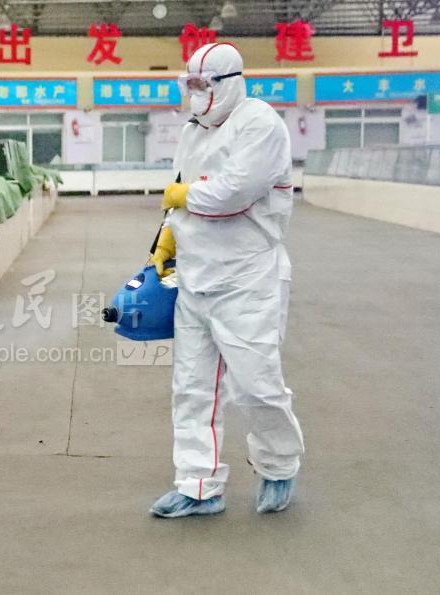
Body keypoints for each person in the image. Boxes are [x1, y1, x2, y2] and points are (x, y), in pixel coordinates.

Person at [148, 42, 305, 519]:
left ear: (230, 82)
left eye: (203, 85)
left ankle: (278, 465)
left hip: (246, 279)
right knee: (193, 388)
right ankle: (199, 486)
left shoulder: (260, 125)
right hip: (195, 277)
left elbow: (232, 193)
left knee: (256, 386)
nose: (195, 94)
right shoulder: (192, 131)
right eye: (189, 85)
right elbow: (183, 194)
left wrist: (182, 195)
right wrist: (169, 235)